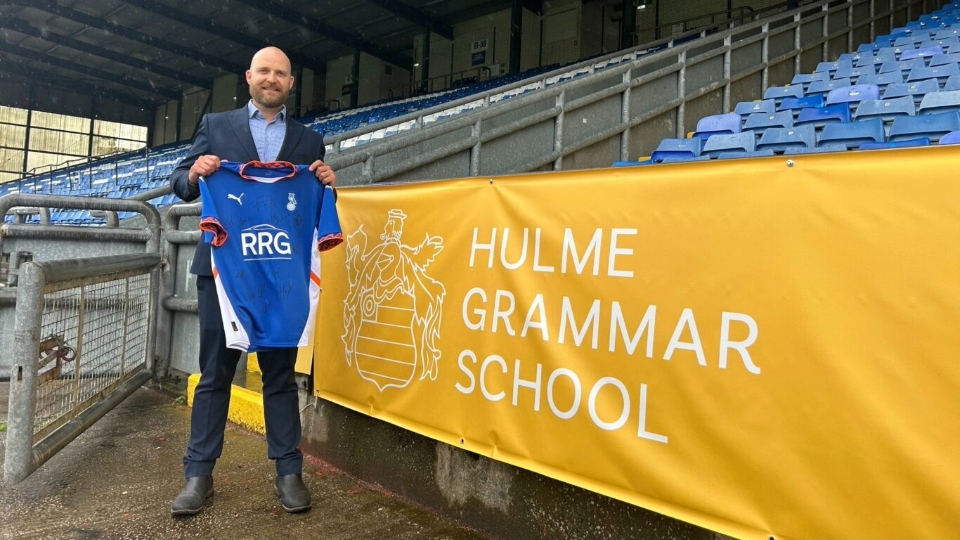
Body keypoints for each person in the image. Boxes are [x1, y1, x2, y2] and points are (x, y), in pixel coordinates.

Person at [168, 46, 336, 517]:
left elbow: (312, 198)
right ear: (249, 77)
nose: (271, 79)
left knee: (280, 375)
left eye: (280, 73)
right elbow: (178, 180)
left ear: (291, 83)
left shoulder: (309, 140)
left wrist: (326, 179)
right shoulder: (216, 126)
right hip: (222, 273)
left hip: (280, 276)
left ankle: (289, 471)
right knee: (215, 373)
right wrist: (196, 174)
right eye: (264, 71)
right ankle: (198, 475)